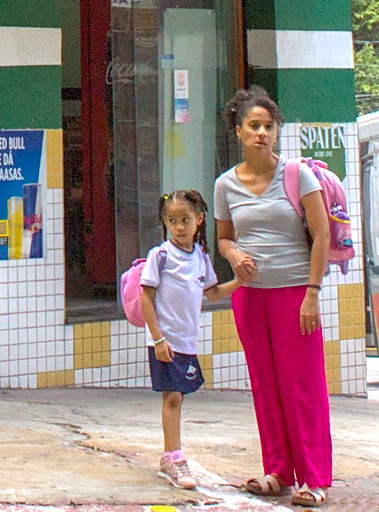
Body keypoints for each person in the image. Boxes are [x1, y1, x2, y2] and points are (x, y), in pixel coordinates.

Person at [215, 85, 335, 506]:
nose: (262, 133)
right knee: (265, 385)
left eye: (268, 126)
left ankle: (315, 479)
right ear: (238, 131)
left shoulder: (298, 175)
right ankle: (278, 472)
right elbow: (224, 238)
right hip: (250, 297)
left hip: (296, 294)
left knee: (303, 386)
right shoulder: (225, 185)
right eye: (253, 125)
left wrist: (312, 293)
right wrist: (234, 255)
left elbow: (322, 234)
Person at [141, 188, 236, 490]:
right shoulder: (160, 256)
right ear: (164, 222)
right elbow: (146, 298)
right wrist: (158, 339)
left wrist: (241, 281)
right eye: (172, 221)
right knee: (172, 397)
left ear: (199, 219)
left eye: (185, 219)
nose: (179, 227)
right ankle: (173, 457)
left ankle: (171, 455)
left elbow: (213, 293)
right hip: (165, 341)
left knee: (179, 395)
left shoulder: (201, 257)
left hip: (186, 341)